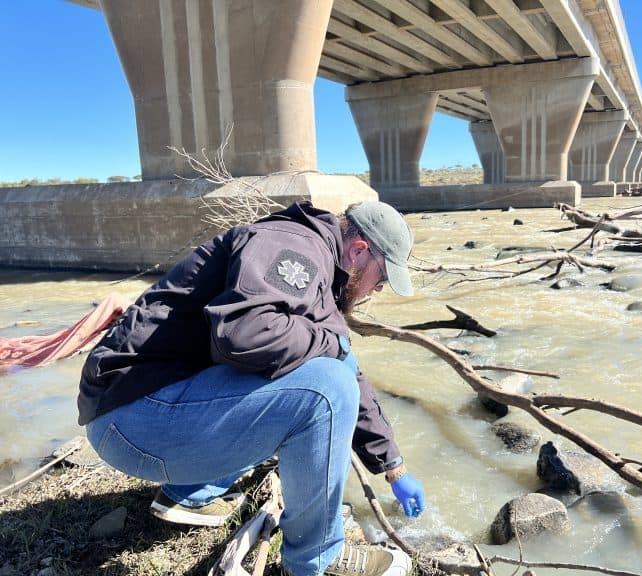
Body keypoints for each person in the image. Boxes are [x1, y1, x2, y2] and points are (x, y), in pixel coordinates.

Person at [77, 200, 425, 576]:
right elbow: (245, 332)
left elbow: (345, 363)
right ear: (359, 251)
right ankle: (317, 559)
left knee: (311, 372)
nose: (377, 289)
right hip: (134, 420)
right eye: (382, 278)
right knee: (327, 389)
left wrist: (394, 467)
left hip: (136, 412)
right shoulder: (295, 247)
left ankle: (192, 494)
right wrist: (332, 344)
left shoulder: (318, 265)